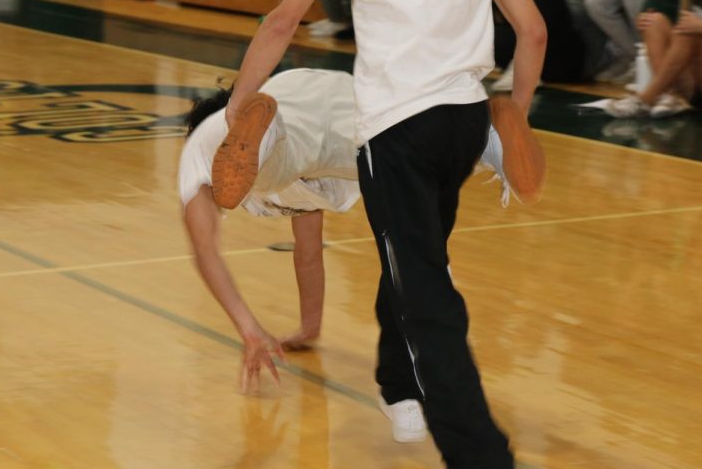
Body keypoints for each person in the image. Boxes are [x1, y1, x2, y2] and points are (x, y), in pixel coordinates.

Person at [215, 0, 548, 469]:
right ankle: (400, 388)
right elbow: (532, 30)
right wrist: (514, 116)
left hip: (397, 129)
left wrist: (241, 104)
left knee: (426, 291)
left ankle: (477, 465)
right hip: (463, 123)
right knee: (415, 253)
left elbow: (282, 17)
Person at [180, 68, 520, 391]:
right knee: (410, 154)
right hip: (336, 103)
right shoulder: (295, 183)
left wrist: (248, 328)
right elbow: (308, 251)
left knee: (274, 164)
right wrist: (308, 329)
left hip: (282, 127)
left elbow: (205, 252)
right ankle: (488, 140)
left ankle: (262, 137)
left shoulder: (200, 147)